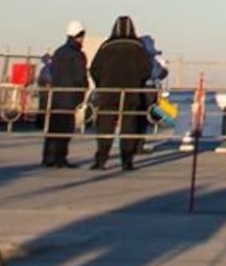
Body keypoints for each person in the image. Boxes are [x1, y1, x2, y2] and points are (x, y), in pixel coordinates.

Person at [88, 16, 150, 169]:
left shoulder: (106, 46)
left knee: (105, 126)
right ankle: (127, 161)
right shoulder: (139, 47)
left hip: (109, 93)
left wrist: (101, 85)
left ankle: (101, 159)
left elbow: (95, 69)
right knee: (129, 127)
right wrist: (138, 84)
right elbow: (146, 70)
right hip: (131, 93)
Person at [39, 23, 88, 168]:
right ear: (79, 36)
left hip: (56, 96)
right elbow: (80, 77)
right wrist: (81, 93)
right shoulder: (78, 55)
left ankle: (48, 157)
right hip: (70, 96)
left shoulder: (59, 52)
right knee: (65, 128)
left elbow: (52, 72)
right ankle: (60, 158)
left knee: (53, 128)